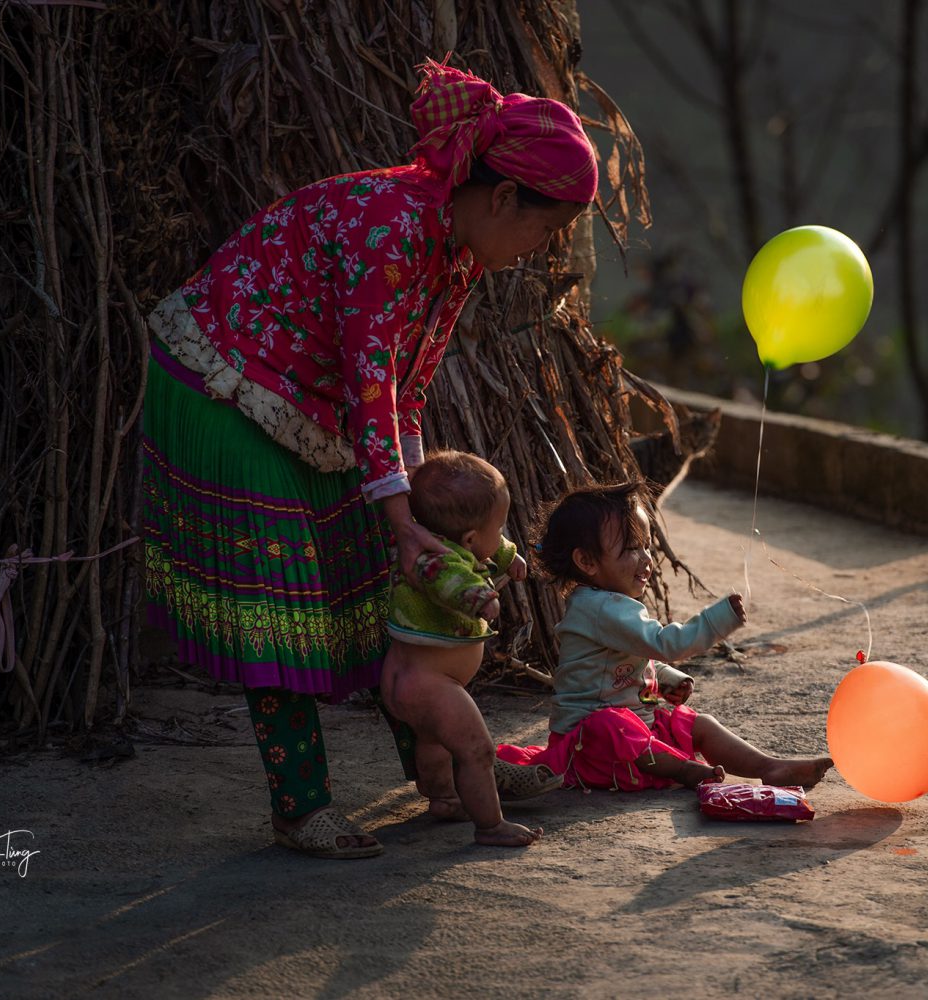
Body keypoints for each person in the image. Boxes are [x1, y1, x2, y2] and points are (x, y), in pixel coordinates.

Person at [139, 60, 594, 859]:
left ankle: (450, 771)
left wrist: (411, 513)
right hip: (227, 378)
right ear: (501, 198)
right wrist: (402, 515)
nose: (536, 250)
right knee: (280, 598)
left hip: (308, 396)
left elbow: (405, 391)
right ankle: (301, 808)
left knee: (389, 576)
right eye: (542, 229)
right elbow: (369, 380)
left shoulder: (454, 253)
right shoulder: (390, 225)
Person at [496, 482, 834, 791]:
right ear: (586, 561)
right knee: (611, 725)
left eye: (646, 546)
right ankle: (684, 770)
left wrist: (667, 679)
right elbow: (664, 644)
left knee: (698, 723)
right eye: (631, 549)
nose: (646, 559)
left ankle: (768, 766)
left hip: (637, 729)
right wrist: (715, 622)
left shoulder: (609, 604)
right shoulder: (599, 608)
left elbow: (628, 662)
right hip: (588, 742)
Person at [379, 451, 559, 847]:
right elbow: (450, 581)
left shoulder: (447, 544)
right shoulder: (433, 561)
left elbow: (484, 553)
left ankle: (444, 798)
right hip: (428, 684)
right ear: (470, 538)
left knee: (434, 743)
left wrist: (508, 558)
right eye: (500, 528)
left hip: (410, 679)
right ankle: (491, 825)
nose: (503, 535)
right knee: (476, 750)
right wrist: (479, 598)